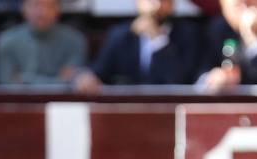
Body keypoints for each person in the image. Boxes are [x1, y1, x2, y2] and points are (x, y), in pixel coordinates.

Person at [73, 0, 202, 91]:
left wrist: (158, 40)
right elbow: (100, 70)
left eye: (163, 0)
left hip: (171, 110)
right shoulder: (121, 35)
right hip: (127, 111)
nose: (156, 6)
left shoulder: (189, 34)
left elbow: (180, 79)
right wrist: (87, 77)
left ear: (172, 4)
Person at [0, 0, 88, 87]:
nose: (42, 12)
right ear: (23, 8)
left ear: (58, 9)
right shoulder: (6, 41)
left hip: (61, 103)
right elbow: (6, 85)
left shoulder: (75, 41)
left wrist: (25, 79)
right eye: (35, 4)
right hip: (19, 104)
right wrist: (58, 80)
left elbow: (71, 83)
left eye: (49, 6)